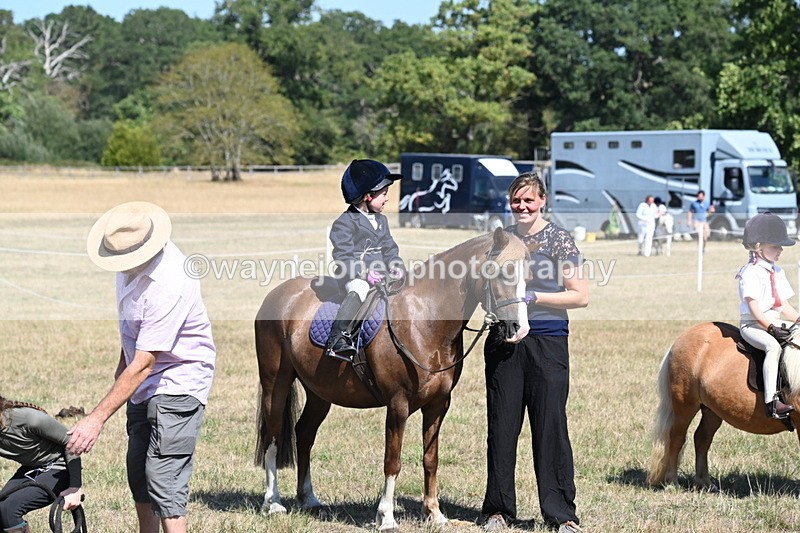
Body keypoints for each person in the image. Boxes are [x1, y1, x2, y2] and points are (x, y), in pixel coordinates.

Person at [67, 201, 216, 533]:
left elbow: (146, 362)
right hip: (141, 378)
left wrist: (95, 419)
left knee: (163, 474)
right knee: (138, 472)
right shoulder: (128, 264)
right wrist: (121, 374)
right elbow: (132, 336)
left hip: (180, 376)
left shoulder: (169, 282)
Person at [481, 172, 588, 533]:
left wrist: (533, 297)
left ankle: (561, 514)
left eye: (529, 200)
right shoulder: (499, 240)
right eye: (516, 200)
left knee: (550, 426)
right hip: (503, 341)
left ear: (543, 201)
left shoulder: (559, 239)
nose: (522, 206)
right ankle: (498, 511)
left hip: (547, 340)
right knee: (501, 426)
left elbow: (580, 295)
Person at [326, 159, 406, 362]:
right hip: (353, 276)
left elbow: (389, 248)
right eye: (384, 194)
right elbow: (343, 257)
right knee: (360, 289)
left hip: (381, 275)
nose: (387, 199)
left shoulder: (382, 220)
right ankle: (337, 339)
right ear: (368, 196)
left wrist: (396, 265)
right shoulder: (344, 223)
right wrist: (364, 273)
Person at [737, 212, 799, 419]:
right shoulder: (750, 272)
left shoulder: (778, 272)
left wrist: (798, 320)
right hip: (753, 325)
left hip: (775, 320)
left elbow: (783, 305)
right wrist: (770, 329)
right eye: (775, 246)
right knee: (773, 347)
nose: (781, 249)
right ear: (758, 246)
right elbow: (753, 306)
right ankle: (772, 401)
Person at [0, 396, 84, 533]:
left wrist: (75, 488)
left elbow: (71, 442)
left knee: (9, 509)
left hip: (60, 468)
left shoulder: (29, 418)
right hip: (32, 468)